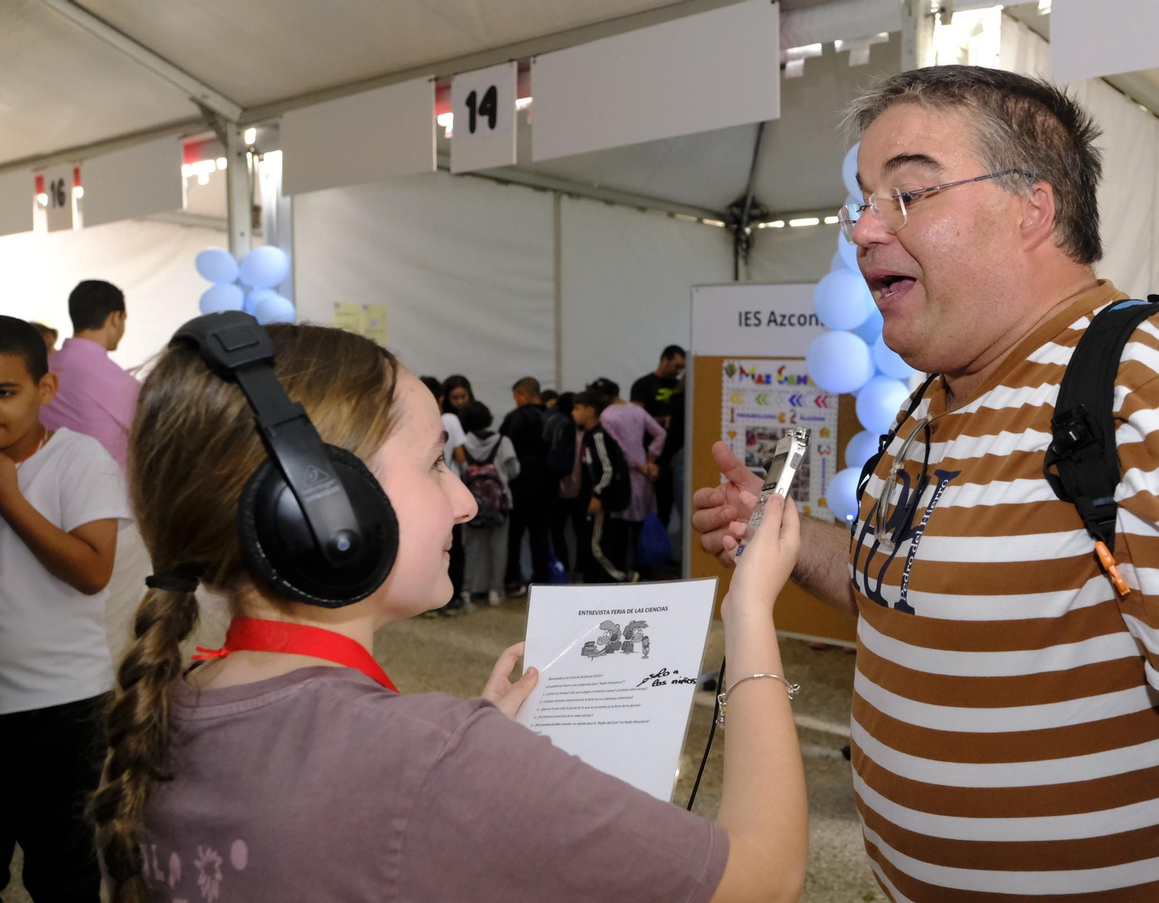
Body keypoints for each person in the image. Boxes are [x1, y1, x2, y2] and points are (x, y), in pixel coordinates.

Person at [693, 66, 1159, 902]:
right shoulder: (935, 402)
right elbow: (907, 589)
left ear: (1033, 208)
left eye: (908, 194)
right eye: (861, 199)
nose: (861, 231)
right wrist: (782, 537)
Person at [90, 320, 808, 903]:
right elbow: (764, 877)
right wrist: (749, 612)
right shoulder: (435, 757)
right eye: (436, 463)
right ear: (324, 507)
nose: (465, 501)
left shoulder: (163, 715)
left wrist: (467, 761)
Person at [0, 315, 129, 902]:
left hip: (62, 706)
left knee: (64, 875)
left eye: (5, 393)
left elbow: (91, 570)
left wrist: (10, 498)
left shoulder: (79, 459)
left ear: (44, 390)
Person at [39, 279, 141, 471]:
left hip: (38, 491)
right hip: (105, 494)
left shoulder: (42, 369)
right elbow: (153, 437)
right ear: (115, 318)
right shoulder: (119, 382)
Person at [591, 377, 664, 576]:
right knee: (641, 525)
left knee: (620, 529)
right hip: (644, 477)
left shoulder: (606, 416)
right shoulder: (637, 410)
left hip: (623, 476)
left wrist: (639, 465)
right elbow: (660, 434)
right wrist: (650, 460)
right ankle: (645, 570)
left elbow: (618, 449)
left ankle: (624, 572)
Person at [458, 400, 520, 608]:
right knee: (499, 549)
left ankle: (467, 590)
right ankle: (496, 590)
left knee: (472, 548)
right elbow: (514, 471)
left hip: (472, 503)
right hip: (500, 504)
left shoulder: (463, 443)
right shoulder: (503, 441)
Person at [571, 391, 634, 583]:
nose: (573, 413)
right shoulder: (589, 436)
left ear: (590, 411)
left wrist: (598, 495)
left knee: (596, 545)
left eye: (577, 408)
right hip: (592, 497)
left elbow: (608, 469)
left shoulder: (598, 436)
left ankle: (623, 577)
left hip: (601, 499)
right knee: (592, 542)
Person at [630, 345, 687, 553]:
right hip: (648, 458)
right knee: (646, 511)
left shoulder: (681, 388)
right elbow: (636, 420)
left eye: (683, 367)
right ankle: (644, 559)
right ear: (664, 360)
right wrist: (663, 421)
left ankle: (662, 555)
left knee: (669, 508)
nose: (679, 370)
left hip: (674, 457)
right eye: (676, 365)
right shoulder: (643, 385)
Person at [420, 376, 468, 616]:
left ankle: (424, 602)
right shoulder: (449, 419)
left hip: (423, 493)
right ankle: (453, 597)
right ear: (441, 398)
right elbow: (461, 457)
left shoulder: (412, 421)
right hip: (449, 492)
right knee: (453, 547)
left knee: (425, 545)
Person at [499, 377, 552, 590]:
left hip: (520, 484)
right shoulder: (552, 416)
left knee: (515, 534)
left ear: (523, 394)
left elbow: (506, 447)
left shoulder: (517, 417)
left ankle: (512, 579)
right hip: (547, 484)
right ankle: (542, 581)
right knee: (540, 535)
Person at [545, 391, 583, 577]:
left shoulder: (552, 420)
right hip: (570, 485)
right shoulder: (568, 426)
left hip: (555, 484)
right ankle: (574, 569)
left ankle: (564, 568)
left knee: (558, 531)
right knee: (578, 530)